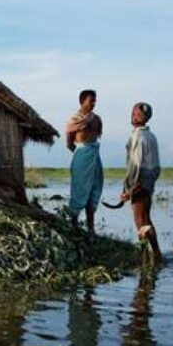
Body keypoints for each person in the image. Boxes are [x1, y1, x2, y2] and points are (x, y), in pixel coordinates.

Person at [120, 102, 163, 264]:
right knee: (146, 218)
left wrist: (129, 189)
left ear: (145, 117)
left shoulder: (137, 135)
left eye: (137, 114)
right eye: (132, 113)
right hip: (149, 182)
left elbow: (135, 164)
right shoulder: (151, 136)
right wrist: (149, 182)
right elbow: (157, 167)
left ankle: (145, 254)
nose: (133, 116)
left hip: (139, 182)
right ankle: (156, 253)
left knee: (140, 220)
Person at [65, 89, 103, 237]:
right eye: (91, 101)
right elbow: (69, 144)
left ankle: (91, 228)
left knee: (93, 189)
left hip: (94, 155)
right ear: (82, 101)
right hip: (81, 155)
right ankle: (73, 224)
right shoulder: (74, 119)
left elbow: (97, 135)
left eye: (95, 101)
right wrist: (81, 154)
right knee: (79, 189)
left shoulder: (97, 119)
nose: (93, 104)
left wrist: (90, 152)